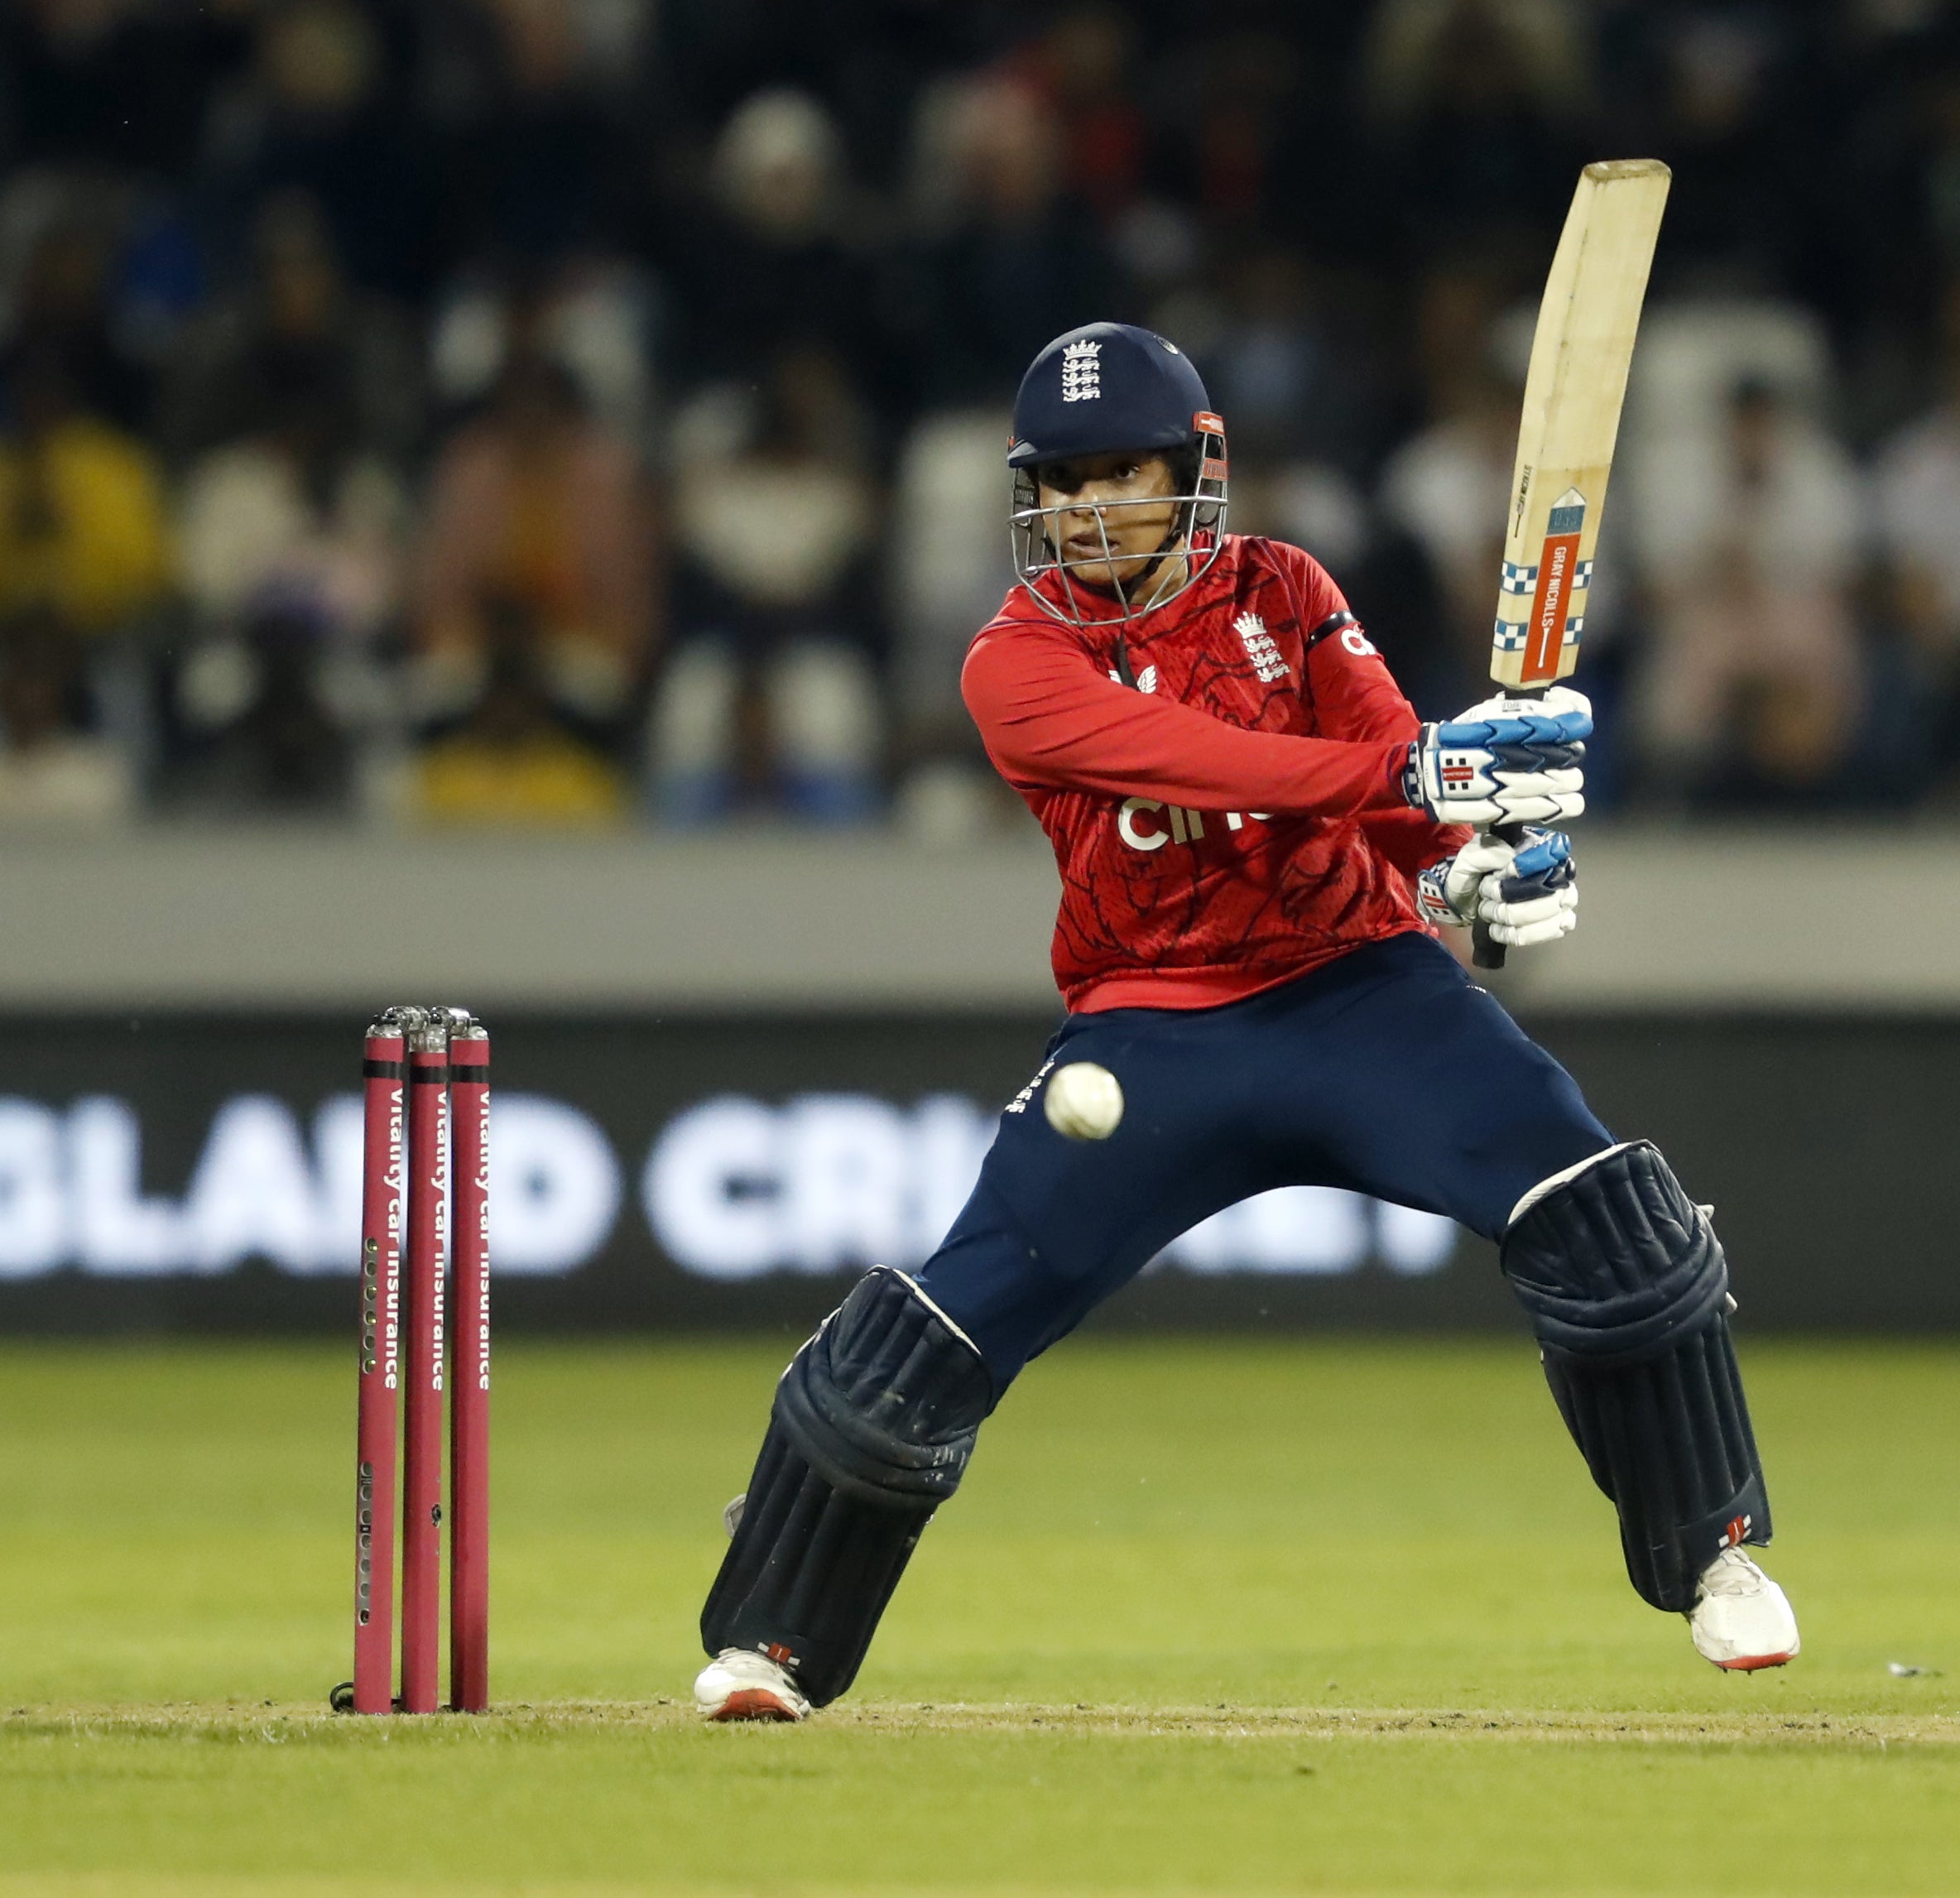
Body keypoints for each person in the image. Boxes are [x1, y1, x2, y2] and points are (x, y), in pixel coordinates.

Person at [689, 323, 1797, 1723]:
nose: (1093, 508)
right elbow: (1205, 761)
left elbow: (1394, 797)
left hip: (1367, 990)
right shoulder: (1012, 662)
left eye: (1124, 473)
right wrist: (1415, 771)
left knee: (1610, 1223)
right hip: (1155, 1031)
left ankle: (1717, 1561)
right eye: (1066, 480)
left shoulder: (1288, 587)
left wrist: (1474, 856)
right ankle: (771, 1645)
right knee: (938, 1331)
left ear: (1195, 466)